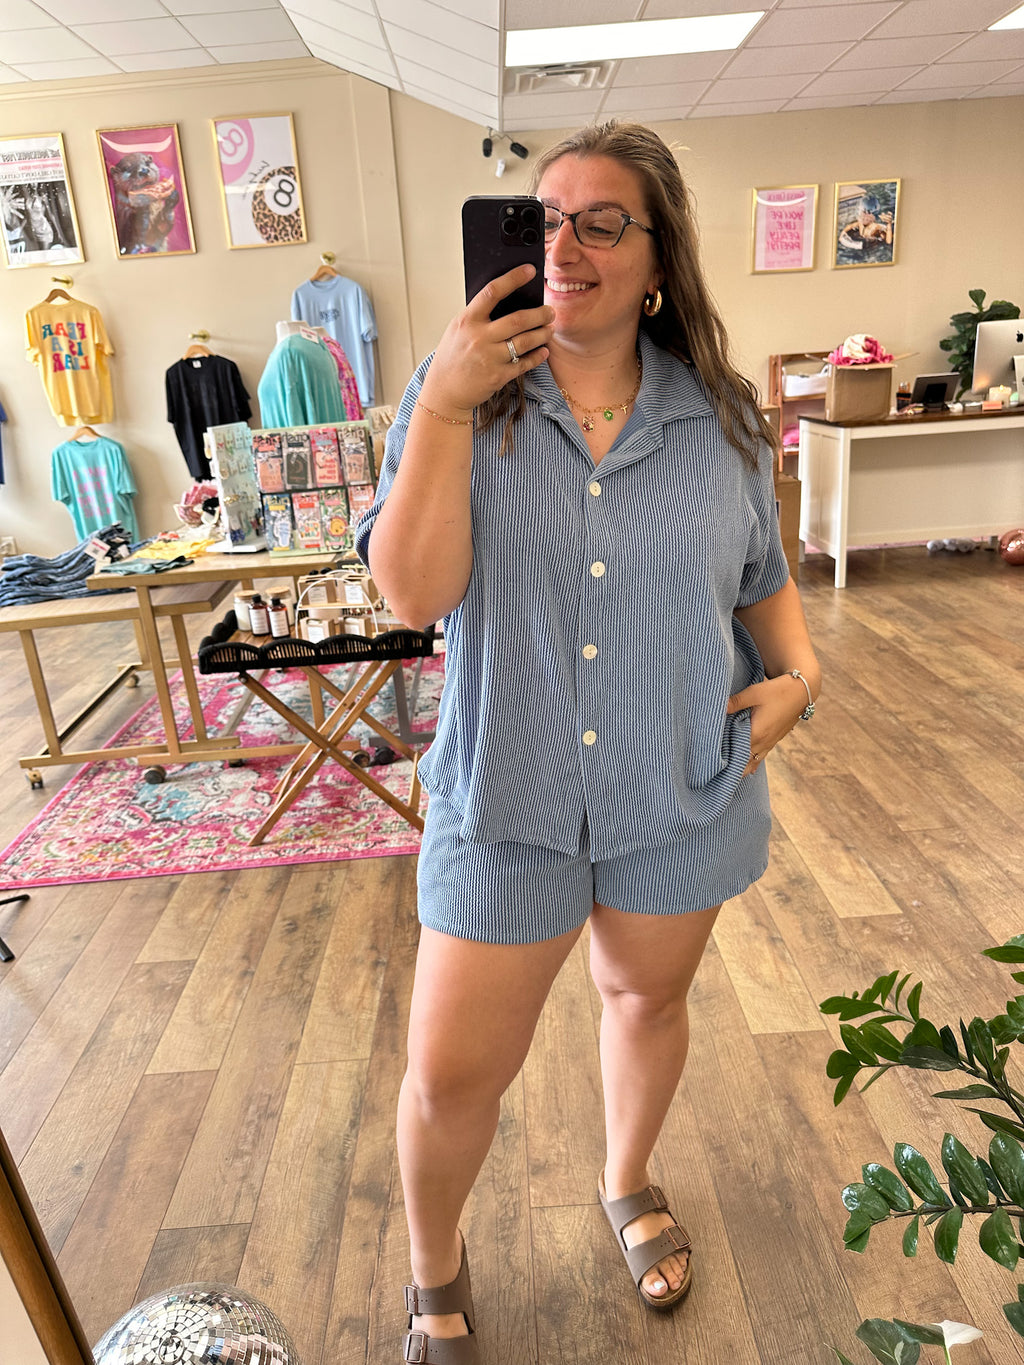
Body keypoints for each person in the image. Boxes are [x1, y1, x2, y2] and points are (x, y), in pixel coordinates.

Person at [357, 120, 820, 1362]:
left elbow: (761, 580)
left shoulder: (720, 416)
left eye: (600, 222)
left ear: (659, 260)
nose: (562, 245)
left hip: (679, 785)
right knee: (453, 1075)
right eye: (544, 219)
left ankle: (626, 1178)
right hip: (508, 795)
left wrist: (801, 675)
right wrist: (444, 404)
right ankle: (433, 1268)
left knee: (645, 998)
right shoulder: (454, 398)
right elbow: (412, 593)